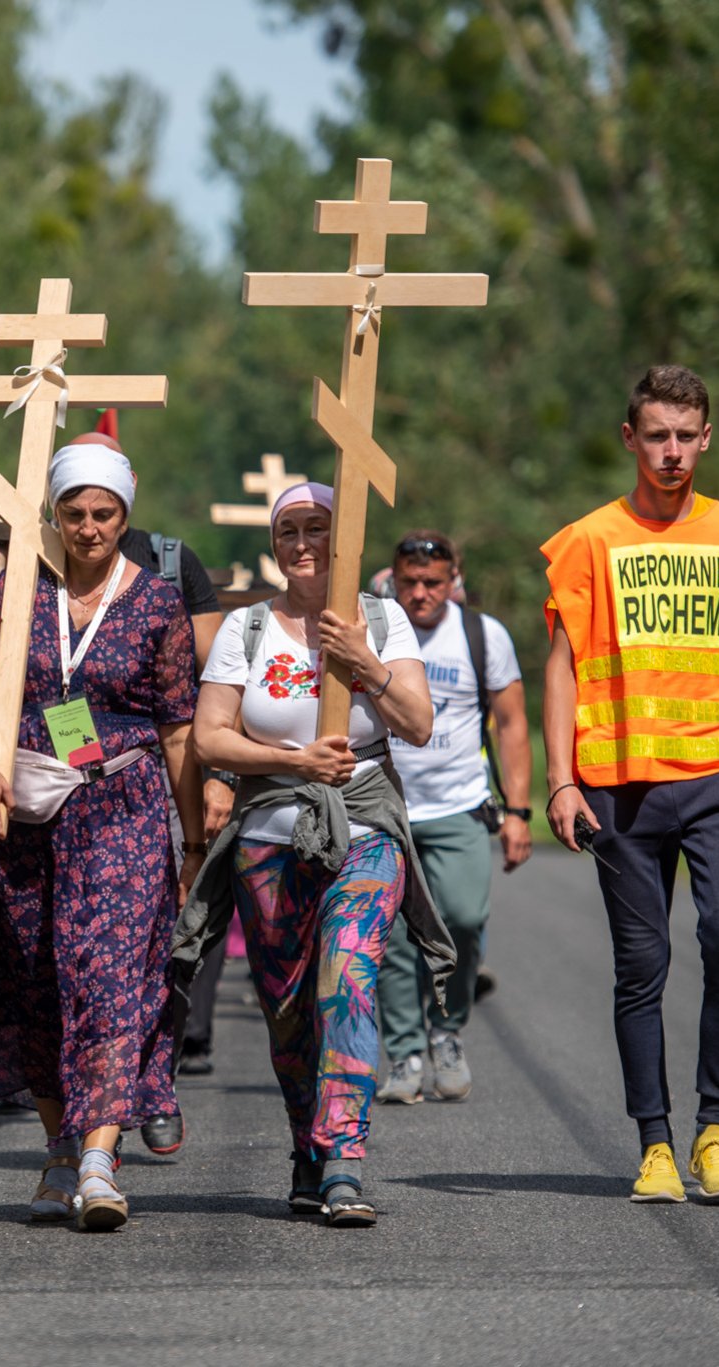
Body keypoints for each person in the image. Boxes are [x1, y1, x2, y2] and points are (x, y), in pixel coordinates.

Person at [542, 364, 719, 1204]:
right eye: (654, 434)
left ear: (706, 438)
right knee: (642, 964)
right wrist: (560, 782)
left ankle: (715, 1130)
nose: (670, 451)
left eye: (684, 436)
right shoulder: (590, 538)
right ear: (631, 438)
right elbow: (562, 668)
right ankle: (656, 1143)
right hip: (620, 785)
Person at [0, 432, 204, 1231]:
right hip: (26, 812)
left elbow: (179, 728)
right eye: (75, 513)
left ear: (126, 514)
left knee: (111, 978)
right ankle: (58, 1143)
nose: (88, 527)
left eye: (104, 513)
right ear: (54, 513)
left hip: (125, 808)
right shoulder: (23, 591)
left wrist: (192, 837)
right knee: (36, 977)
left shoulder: (155, 600)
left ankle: (99, 1158)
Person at [179, 482, 454, 1227]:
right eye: (289, 529)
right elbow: (210, 737)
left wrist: (361, 657)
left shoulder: (384, 619)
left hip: (364, 826)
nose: (302, 542)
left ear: (344, 539)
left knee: (349, 974)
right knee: (290, 1009)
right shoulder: (246, 627)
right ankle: (308, 1145)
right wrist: (298, 763)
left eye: (318, 528)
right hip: (270, 832)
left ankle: (343, 1157)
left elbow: (419, 723)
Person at [374, 530, 533, 1105]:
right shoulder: (373, 629)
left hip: (459, 806)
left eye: (433, 583)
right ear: (391, 578)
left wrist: (517, 811)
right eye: (409, 582)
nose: (420, 594)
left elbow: (513, 723)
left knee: (464, 920)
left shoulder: (482, 637)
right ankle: (407, 1053)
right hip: (381, 807)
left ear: (454, 578)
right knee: (390, 939)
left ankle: (447, 1030)